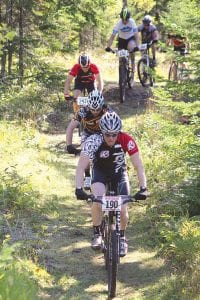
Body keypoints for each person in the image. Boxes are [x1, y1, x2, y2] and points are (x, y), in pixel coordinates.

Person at [75, 111, 148, 257]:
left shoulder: (126, 139)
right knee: (97, 200)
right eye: (107, 134)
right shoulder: (93, 140)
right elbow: (81, 166)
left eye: (114, 134)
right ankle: (97, 233)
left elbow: (138, 165)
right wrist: (78, 188)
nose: (111, 138)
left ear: (118, 132)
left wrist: (143, 188)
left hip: (119, 173)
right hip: (100, 172)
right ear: (101, 131)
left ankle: (122, 238)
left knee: (122, 208)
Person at [66, 89, 109, 188]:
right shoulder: (83, 111)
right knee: (86, 152)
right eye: (92, 109)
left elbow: (115, 125)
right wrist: (69, 145)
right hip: (88, 133)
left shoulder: (106, 110)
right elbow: (70, 127)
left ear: (102, 106)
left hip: (103, 134)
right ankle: (88, 175)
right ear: (88, 106)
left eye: (97, 109)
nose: (95, 112)